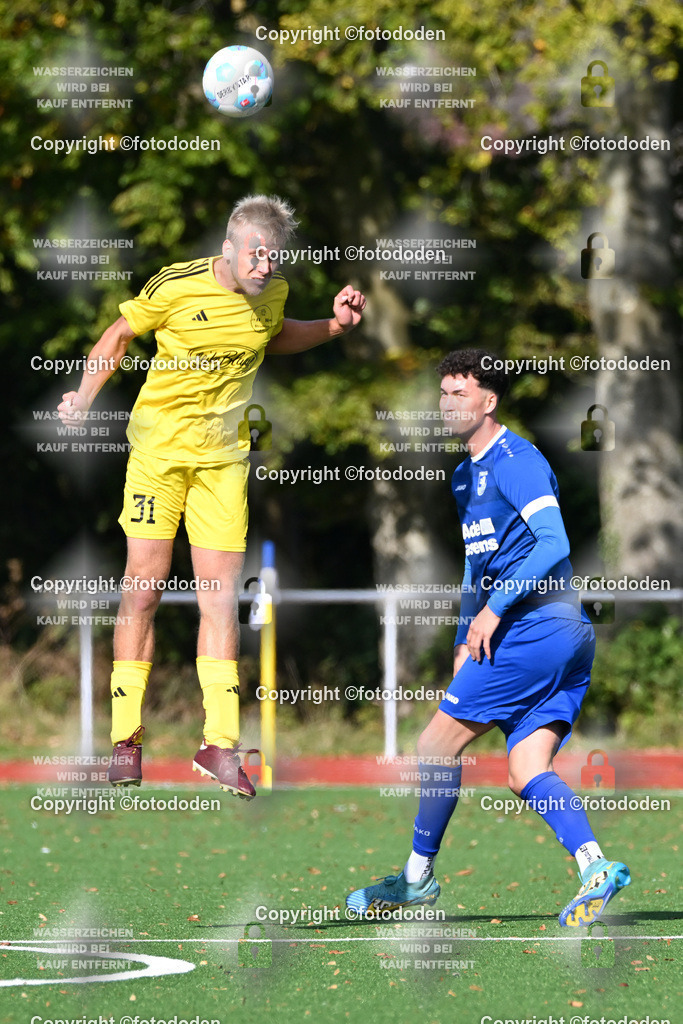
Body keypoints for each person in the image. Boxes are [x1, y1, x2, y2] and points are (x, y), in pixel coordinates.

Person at [58, 194, 366, 800]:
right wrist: (84, 396)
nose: (264, 267)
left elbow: (272, 338)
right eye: (255, 255)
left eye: (273, 259)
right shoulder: (176, 286)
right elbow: (120, 334)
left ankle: (218, 746)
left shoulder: (271, 293)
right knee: (142, 587)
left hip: (223, 464)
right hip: (158, 458)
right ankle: (126, 741)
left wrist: (334, 327)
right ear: (228, 247)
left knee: (219, 600)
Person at [346, 349, 630, 927]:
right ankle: (596, 866)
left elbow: (552, 543)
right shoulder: (463, 476)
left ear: (489, 401)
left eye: (460, 393)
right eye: (443, 393)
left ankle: (416, 882)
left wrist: (495, 612)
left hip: (536, 627)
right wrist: (463, 629)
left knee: (432, 747)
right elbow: (479, 567)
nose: (448, 403)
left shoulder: (514, 457)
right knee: (526, 769)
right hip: (559, 635)